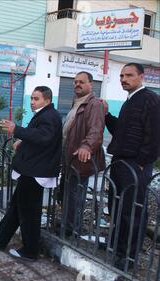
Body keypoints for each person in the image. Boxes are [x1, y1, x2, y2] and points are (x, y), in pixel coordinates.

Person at [0, 86, 62, 261]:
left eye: (36, 99)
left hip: (36, 172)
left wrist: (17, 130)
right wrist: (22, 140)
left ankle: (30, 251)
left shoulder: (49, 116)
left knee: (29, 213)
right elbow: (37, 137)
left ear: (47, 100)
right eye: (31, 98)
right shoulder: (44, 114)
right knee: (17, 208)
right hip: (31, 170)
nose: (32, 102)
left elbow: (43, 138)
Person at [105, 63, 159, 270]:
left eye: (129, 75)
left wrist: (140, 163)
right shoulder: (130, 101)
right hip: (121, 163)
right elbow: (122, 132)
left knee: (132, 213)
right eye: (121, 76)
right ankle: (117, 248)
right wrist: (108, 117)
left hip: (135, 166)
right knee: (117, 209)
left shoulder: (150, 100)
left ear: (141, 77)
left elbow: (154, 137)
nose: (123, 79)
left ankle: (128, 257)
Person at [60, 71, 106, 235]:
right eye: (75, 82)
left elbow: (96, 130)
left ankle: (72, 231)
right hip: (69, 158)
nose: (77, 84)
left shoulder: (94, 104)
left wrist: (86, 146)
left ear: (90, 84)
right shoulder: (77, 102)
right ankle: (67, 226)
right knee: (67, 195)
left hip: (81, 159)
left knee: (75, 197)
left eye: (81, 82)